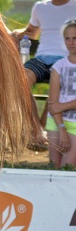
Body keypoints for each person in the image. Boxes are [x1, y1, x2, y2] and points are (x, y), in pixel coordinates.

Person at [12, 0, 76, 145]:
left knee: (59, 83)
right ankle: (36, 130)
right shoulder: (40, 7)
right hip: (41, 59)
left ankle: (39, 133)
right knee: (21, 80)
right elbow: (30, 32)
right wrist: (14, 35)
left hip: (65, 60)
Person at [45, 19, 76, 168]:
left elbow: (57, 106)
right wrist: (61, 128)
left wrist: (62, 106)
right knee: (54, 167)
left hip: (75, 123)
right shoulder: (58, 67)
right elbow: (52, 103)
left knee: (68, 168)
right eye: (67, 38)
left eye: (75, 38)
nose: (71, 42)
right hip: (56, 122)